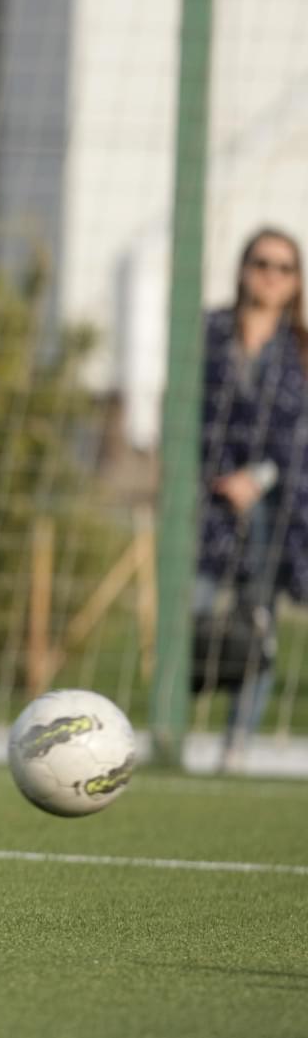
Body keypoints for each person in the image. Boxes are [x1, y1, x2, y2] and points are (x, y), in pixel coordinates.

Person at [195, 228, 308, 773]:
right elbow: (185, 409)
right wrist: (215, 477)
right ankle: (171, 726)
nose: (271, 275)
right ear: (243, 268)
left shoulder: (300, 348)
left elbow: (299, 436)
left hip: (275, 509)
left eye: (284, 267)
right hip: (207, 501)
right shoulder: (210, 332)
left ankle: (236, 746)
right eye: (262, 263)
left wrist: (258, 478)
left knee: (256, 626)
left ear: (296, 281)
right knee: (193, 611)